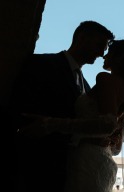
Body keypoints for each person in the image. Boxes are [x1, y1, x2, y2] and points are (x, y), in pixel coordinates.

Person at [18, 39, 124, 192]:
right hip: (102, 159)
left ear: (119, 58)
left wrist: (51, 124)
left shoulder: (106, 79)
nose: (104, 56)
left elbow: (107, 124)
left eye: (109, 53)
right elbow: (115, 142)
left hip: (87, 159)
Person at [9, 20, 114, 192]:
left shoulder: (86, 86)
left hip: (68, 173)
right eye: (99, 45)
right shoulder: (42, 65)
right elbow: (23, 113)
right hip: (35, 167)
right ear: (82, 38)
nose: (102, 53)